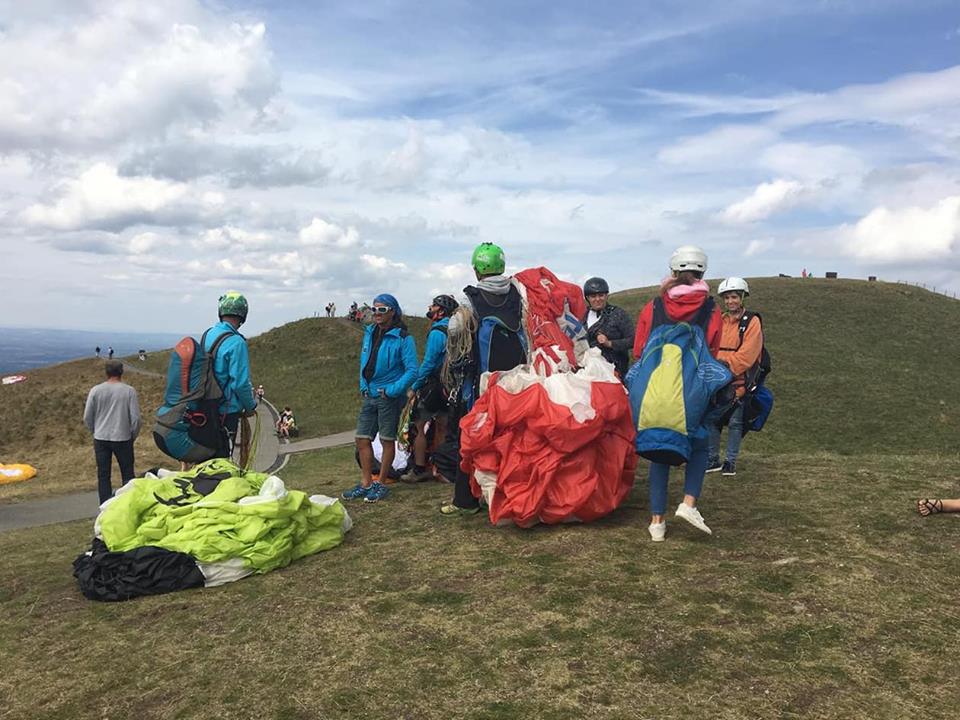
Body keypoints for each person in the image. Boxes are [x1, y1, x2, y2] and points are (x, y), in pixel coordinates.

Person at [632, 245, 722, 542]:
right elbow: (713, 351)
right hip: (691, 392)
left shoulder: (653, 307)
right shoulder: (711, 310)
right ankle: (688, 503)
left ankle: (657, 523)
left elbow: (639, 350)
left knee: (661, 451)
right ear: (701, 273)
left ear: (673, 272)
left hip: (655, 391)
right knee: (698, 444)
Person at [441, 242, 528, 515]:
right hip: (518, 381)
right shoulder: (518, 294)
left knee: (472, 437)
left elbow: (455, 330)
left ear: (477, 269)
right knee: (513, 437)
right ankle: (513, 494)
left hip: (482, 382)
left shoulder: (470, 299)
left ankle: (465, 500)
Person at [343, 293, 418, 503]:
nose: (377, 313)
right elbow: (364, 361)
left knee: (386, 439)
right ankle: (366, 482)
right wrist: (362, 384)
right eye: (374, 309)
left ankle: (381, 483)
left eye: (382, 309)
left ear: (393, 311)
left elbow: (413, 370)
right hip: (370, 393)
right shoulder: (370, 332)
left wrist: (394, 390)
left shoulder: (403, 338)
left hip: (389, 396)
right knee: (362, 439)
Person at [706, 277, 763, 477]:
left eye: (734, 297)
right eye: (727, 298)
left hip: (738, 378)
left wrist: (726, 369)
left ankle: (730, 461)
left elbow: (748, 353)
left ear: (742, 298)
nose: (730, 301)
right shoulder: (720, 321)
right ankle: (712, 459)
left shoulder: (751, 322)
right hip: (717, 378)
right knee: (712, 419)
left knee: (735, 422)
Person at [401, 294, 459, 483]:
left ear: (441, 311)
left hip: (433, 385)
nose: (430, 307)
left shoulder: (437, 332)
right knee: (442, 425)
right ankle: (440, 468)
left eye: (434, 305)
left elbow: (428, 363)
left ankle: (419, 469)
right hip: (449, 385)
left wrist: (415, 386)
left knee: (418, 426)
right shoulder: (456, 330)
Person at [205, 292, 257, 459]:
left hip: (204, 407)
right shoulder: (237, 342)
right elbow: (240, 384)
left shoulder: (208, 334)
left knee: (206, 458)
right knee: (222, 459)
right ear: (242, 315)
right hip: (226, 412)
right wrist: (250, 406)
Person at [83, 360, 141, 504]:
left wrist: (95, 431)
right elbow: (136, 419)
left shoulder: (95, 390)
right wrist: (132, 435)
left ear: (106, 372)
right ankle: (128, 504)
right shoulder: (129, 391)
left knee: (103, 475)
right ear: (121, 372)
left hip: (101, 437)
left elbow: (87, 417)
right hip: (123, 437)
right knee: (127, 474)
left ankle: (104, 506)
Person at [582, 276, 634, 378]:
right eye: (593, 296)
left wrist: (609, 343)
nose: (597, 299)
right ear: (587, 298)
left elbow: (633, 340)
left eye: (601, 295)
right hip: (588, 371)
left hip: (614, 371)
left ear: (606, 295)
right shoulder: (583, 316)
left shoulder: (618, 314)